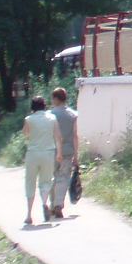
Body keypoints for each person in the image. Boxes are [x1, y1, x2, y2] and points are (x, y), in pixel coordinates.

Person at [21, 96, 62, 226]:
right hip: (48, 153)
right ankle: (44, 203)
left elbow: (25, 134)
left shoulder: (29, 119)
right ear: (44, 105)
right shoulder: (52, 118)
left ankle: (29, 214)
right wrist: (59, 153)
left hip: (33, 153)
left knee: (30, 182)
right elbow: (58, 137)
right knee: (46, 181)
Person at [48, 87, 78, 219]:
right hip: (67, 151)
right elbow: (75, 136)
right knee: (64, 177)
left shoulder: (49, 115)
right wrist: (76, 155)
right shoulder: (73, 115)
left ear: (55, 99)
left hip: (52, 150)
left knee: (52, 178)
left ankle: (52, 204)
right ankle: (58, 204)